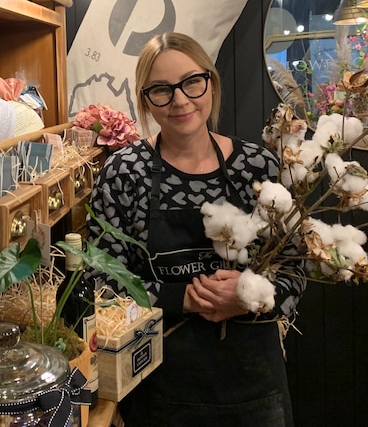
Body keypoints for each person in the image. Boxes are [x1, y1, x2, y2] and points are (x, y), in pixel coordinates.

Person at [86, 32, 306, 426]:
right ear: (145, 99)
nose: (180, 100)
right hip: (160, 385)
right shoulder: (125, 172)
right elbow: (100, 278)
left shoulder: (260, 167)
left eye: (191, 82)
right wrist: (181, 298)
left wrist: (248, 297)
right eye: (161, 90)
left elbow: (294, 267)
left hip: (253, 386)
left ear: (211, 81)